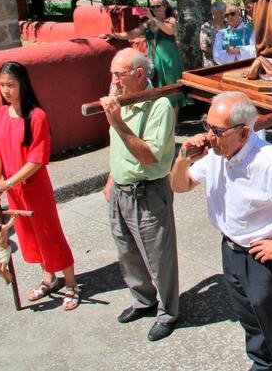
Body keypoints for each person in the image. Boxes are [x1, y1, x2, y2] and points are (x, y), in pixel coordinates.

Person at [171, 91, 272, 371]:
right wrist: (183, 159)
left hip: (261, 259)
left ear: (243, 133)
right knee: (251, 322)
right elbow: (179, 186)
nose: (208, 136)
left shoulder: (267, 162)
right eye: (206, 125)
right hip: (230, 250)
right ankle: (262, 363)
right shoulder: (217, 152)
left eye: (216, 130)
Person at [101, 48, 179, 342]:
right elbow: (117, 148)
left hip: (148, 192)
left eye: (118, 74)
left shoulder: (159, 107)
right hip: (121, 190)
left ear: (139, 74)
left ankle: (169, 311)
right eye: (111, 74)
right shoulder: (120, 102)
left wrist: (118, 123)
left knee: (159, 258)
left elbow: (149, 157)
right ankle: (143, 299)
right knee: (127, 252)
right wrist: (112, 177)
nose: (113, 80)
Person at [0, 61, 78, 310]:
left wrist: (8, 182)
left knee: (49, 232)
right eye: (2, 85)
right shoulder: (0, 115)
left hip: (34, 188)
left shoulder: (37, 116)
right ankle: (49, 278)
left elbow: (37, 159)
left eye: (11, 85)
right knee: (30, 235)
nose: (6, 90)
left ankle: (70, 283)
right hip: (12, 190)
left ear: (22, 85)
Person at [109, 0, 186, 110]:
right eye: (153, 7)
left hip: (169, 62)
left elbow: (169, 30)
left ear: (165, 6)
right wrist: (114, 35)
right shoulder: (149, 23)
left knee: (172, 92)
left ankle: (174, 124)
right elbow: (132, 34)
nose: (155, 9)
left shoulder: (171, 20)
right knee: (155, 91)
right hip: (153, 61)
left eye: (158, 6)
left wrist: (152, 17)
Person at [200, 0, 227, 67]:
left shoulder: (228, 25)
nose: (223, 15)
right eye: (221, 13)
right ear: (214, 13)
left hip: (227, 62)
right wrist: (217, 55)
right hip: (212, 64)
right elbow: (203, 47)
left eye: (224, 12)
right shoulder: (206, 27)